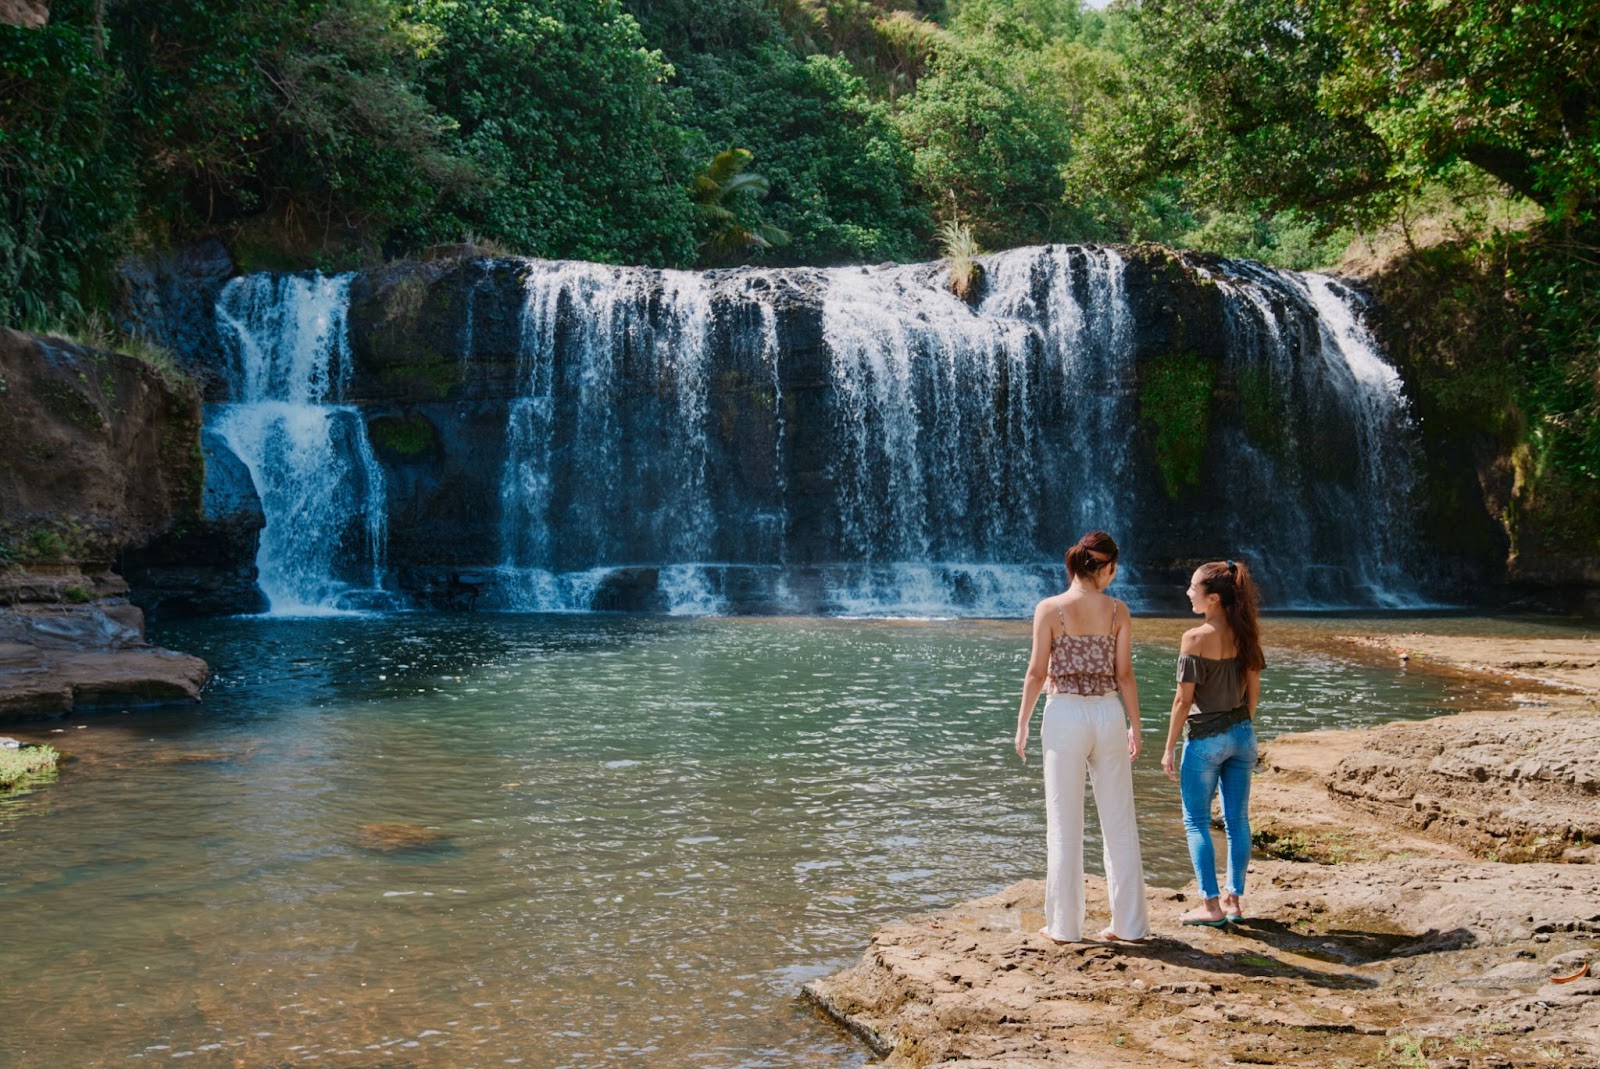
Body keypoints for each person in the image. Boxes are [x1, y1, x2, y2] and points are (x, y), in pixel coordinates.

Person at [1014, 530, 1149, 943]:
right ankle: (1129, 925)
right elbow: (1124, 675)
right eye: (1113, 568)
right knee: (1120, 823)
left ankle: (1064, 927)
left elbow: (1037, 673)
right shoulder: (1117, 611)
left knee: (1064, 825)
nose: (1114, 575)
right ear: (1104, 567)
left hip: (1065, 715)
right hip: (1108, 713)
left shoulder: (1050, 609)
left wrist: (1021, 724)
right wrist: (1136, 726)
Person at [1160, 559, 1265, 926]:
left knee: (1196, 822)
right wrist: (1243, 726)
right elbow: (1253, 690)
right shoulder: (1247, 634)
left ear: (1214, 598)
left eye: (1193, 588)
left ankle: (1210, 907)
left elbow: (1183, 701)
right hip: (1242, 735)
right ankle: (1234, 900)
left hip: (1205, 738)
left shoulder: (1194, 638)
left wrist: (1169, 746)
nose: (1188, 593)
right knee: (1237, 820)